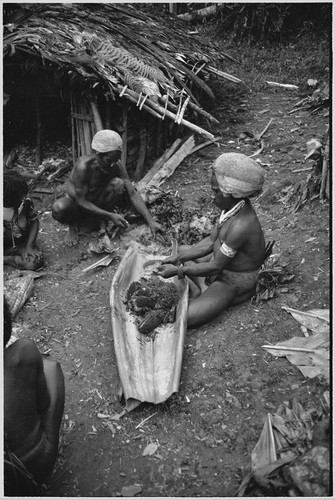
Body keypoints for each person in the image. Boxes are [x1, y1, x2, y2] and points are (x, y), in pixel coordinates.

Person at [157, 152, 266, 329]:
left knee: (183, 317)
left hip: (232, 282)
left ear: (230, 193)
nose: (211, 196)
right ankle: (198, 289)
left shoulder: (241, 225)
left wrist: (178, 271)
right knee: (182, 250)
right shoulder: (233, 208)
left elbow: (216, 266)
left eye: (215, 192)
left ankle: (203, 291)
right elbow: (211, 241)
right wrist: (178, 259)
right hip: (220, 266)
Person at [52, 129, 163, 245]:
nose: (112, 165)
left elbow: (132, 193)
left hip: (96, 200)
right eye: (109, 160)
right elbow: (81, 201)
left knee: (119, 183)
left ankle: (98, 218)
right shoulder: (83, 166)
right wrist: (110, 216)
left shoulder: (116, 165)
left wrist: (151, 221)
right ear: (99, 155)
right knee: (59, 208)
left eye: (116, 160)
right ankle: (73, 226)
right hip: (77, 202)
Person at [4, 297, 65, 495]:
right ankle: (48, 443)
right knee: (51, 368)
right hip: (30, 470)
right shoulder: (22, 352)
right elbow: (44, 403)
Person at [4, 170, 43, 270]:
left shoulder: (25, 203)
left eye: (24, 194)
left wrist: (29, 246)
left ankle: (8, 259)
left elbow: (34, 222)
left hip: (20, 245)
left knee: (34, 262)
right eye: (19, 195)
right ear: (7, 197)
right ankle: (7, 259)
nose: (24, 197)